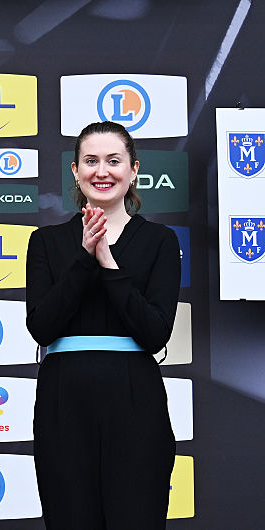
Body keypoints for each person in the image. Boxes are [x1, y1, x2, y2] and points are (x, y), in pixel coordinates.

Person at [25, 120, 180, 529]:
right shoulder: (45, 241)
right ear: (75, 171)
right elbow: (42, 326)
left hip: (135, 401)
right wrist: (83, 258)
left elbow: (154, 332)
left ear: (134, 170)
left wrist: (108, 263)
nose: (102, 171)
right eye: (90, 161)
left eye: (114, 160)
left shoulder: (161, 241)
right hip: (64, 401)